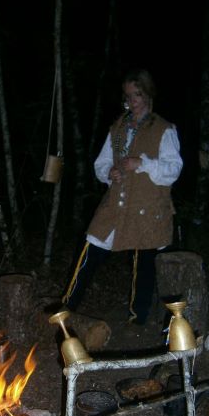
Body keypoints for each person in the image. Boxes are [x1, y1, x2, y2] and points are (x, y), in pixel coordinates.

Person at [62, 68, 183, 325]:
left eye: (137, 94)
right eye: (129, 96)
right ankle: (66, 305)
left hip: (148, 207)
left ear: (148, 94)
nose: (133, 101)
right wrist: (110, 172)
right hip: (116, 204)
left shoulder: (164, 129)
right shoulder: (118, 128)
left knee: (144, 265)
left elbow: (173, 171)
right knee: (90, 247)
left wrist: (142, 163)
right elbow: (101, 163)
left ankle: (137, 320)